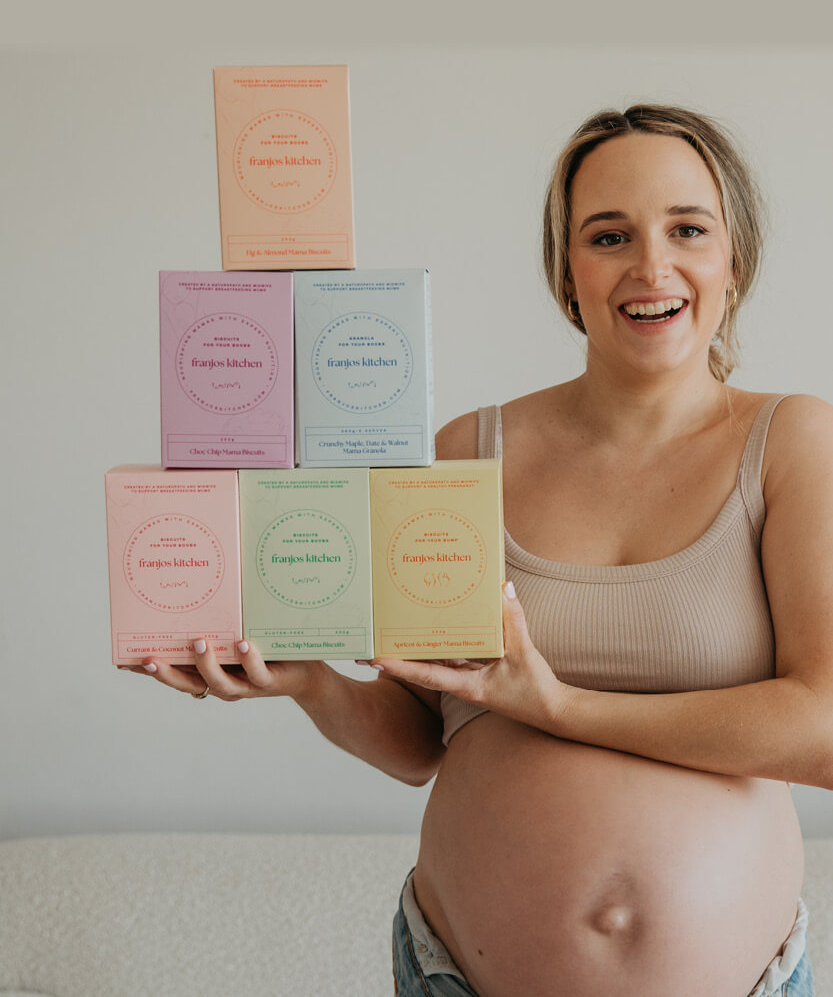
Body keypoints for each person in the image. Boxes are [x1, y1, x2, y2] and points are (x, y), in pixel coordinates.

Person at [128, 103, 831, 997]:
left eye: (687, 228)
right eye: (608, 235)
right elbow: (422, 737)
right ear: (565, 273)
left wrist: (559, 706)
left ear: (732, 259)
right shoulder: (467, 452)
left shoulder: (794, 442)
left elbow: (823, 730)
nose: (651, 266)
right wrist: (307, 678)